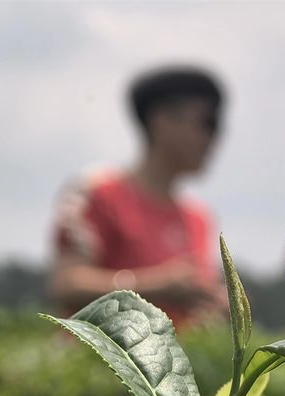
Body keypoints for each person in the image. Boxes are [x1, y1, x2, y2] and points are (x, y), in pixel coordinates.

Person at [49, 66, 228, 327]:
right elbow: (66, 285)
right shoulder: (97, 193)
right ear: (162, 120)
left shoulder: (199, 217)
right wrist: (156, 286)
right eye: (208, 123)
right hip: (102, 363)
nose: (213, 139)